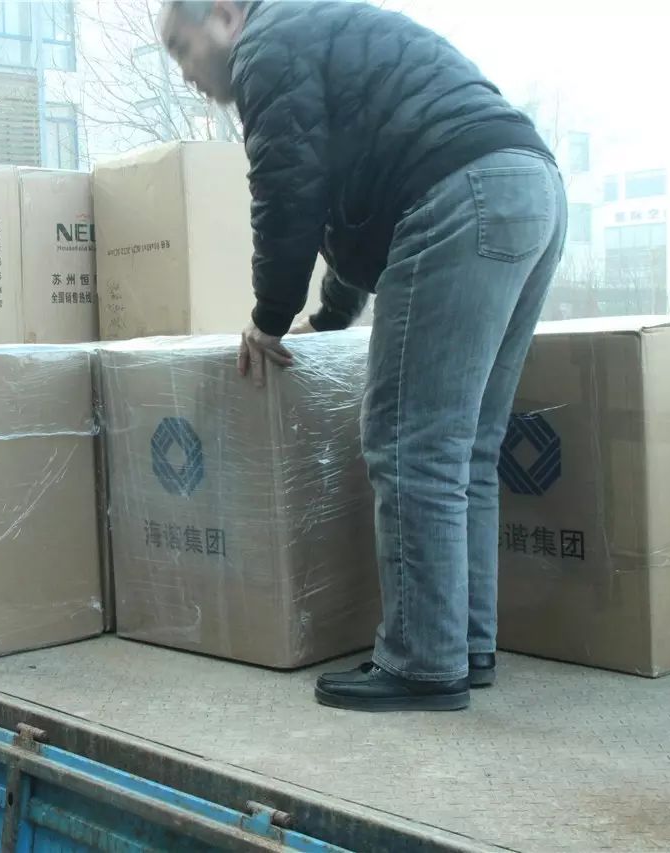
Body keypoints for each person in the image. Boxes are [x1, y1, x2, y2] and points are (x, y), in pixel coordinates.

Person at [159, 0, 568, 712]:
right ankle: (462, 644)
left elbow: (287, 188)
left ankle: (421, 661)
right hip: (527, 187)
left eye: (181, 47)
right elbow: (356, 212)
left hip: (461, 189)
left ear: (223, 15)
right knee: (466, 445)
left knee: (411, 443)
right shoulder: (319, 39)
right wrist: (326, 319)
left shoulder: (267, 47)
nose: (185, 73)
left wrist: (268, 318)